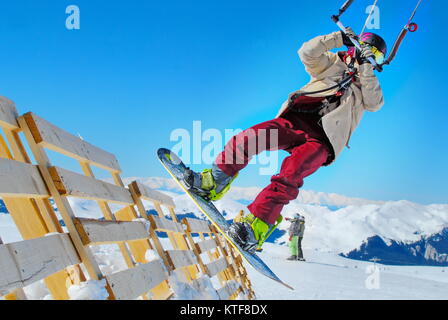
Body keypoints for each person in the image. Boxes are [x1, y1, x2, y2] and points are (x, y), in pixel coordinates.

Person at [182, 29, 386, 253]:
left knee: (289, 176)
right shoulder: (331, 64)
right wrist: (338, 38)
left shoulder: (367, 86)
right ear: (355, 46)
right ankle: (214, 182)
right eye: (369, 51)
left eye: (376, 56)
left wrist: (365, 67)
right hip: (295, 122)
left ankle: (255, 228)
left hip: (322, 142)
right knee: (247, 139)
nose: (370, 57)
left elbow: (375, 103)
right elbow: (307, 52)